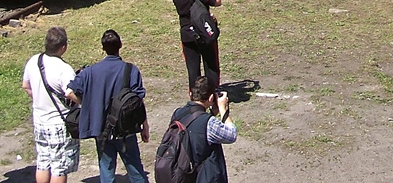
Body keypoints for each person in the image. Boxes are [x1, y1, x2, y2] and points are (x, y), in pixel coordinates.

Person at [65, 30, 150, 183]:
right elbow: (138, 102)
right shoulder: (130, 70)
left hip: (101, 130)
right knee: (136, 171)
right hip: (126, 130)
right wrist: (145, 126)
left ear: (103, 48)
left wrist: (87, 105)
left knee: (106, 172)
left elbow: (69, 92)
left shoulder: (89, 72)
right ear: (120, 45)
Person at [21, 27, 80, 183]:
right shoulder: (64, 69)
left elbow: (25, 85)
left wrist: (39, 98)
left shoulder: (34, 60)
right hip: (58, 123)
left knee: (43, 162)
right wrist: (82, 102)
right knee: (59, 167)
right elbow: (69, 93)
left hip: (40, 120)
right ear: (63, 47)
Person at [167, 76, 238, 183]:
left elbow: (195, 129)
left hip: (183, 172)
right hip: (205, 176)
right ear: (210, 98)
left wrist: (212, 114)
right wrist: (223, 109)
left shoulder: (178, 113)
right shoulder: (208, 123)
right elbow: (231, 135)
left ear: (190, 93)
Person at [173, 0, 222, 90]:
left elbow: (189, 1)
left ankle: (195, 94)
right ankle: (212, 92)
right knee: (211, 65)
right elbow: (217, 1)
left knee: (192, 68)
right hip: (203, 34)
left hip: (187, 35)